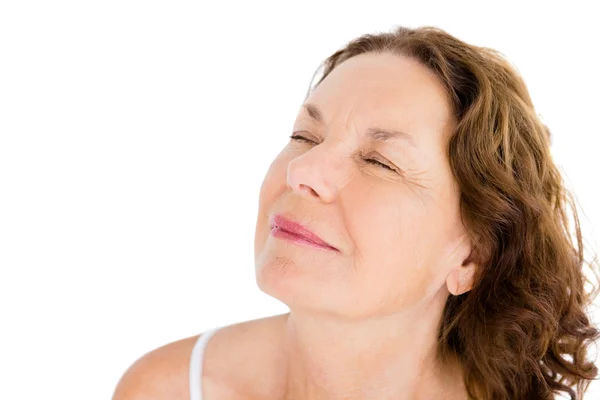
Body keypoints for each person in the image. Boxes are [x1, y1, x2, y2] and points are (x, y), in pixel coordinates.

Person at [112, 25, 600, 400]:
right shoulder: (167, 388)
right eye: (305, 136)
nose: (304, 169)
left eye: (379, 162)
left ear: (471, 259)